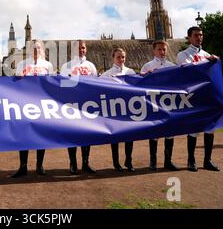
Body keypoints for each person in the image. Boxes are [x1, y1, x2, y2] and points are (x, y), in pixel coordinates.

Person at [176, 26, 222, 172]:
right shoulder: (182, 55)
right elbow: (186, 72)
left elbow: (215, 78)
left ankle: (207, 160)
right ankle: (191, 160)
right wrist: (206, 63)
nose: (199, 37)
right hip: (193, 96)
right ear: (189, 37)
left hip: (208, 96)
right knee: (194, 129)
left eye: (201, 35)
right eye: (196, 35)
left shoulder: (208, 55)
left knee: (210, 129)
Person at [11, 39, 54, 178]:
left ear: (42, 49)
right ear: (29, 50)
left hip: (42, 104)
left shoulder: (48, 65)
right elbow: (15, 84)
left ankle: (39, 165)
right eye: (33, 48)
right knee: (24, 135)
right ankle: (22, 166)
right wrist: (18, 77)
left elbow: (53, 84)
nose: (36, 50)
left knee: (41, 134)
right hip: (25, 104)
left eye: (38, 48)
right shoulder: (22, 64)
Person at [60, 40, 98, 174]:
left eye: (83, 48)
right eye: (78, 48)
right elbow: (61, 86)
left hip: (87, 104)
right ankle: (73, 163)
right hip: (72, 105)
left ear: (85, 49)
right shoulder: (66, 66)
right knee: (73, 134)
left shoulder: (91, 66)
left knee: (87, 134)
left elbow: (96, 85)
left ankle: (86, 163)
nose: (81, 50)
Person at [140, 40, 179, 171]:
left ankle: (168, 161)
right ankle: (153, 162)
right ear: (154, 51)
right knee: (154, 133)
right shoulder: (147, 66)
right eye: (159, 49)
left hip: (169, 104)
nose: (162, 52)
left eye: (164, 49)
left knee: (170, 133)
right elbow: (139, 85)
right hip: (154, 104)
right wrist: (145, 76)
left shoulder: (172, 66)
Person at [102, 48, 136, 172]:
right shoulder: (106, 74)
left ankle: (129, 161)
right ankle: (116, 163)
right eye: (118, 57)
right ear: (113, 58)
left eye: (123, 57)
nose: (121, 60)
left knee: (129, 136)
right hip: (114, 108)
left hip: (128, 108)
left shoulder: (131, 72)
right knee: (115, 137)